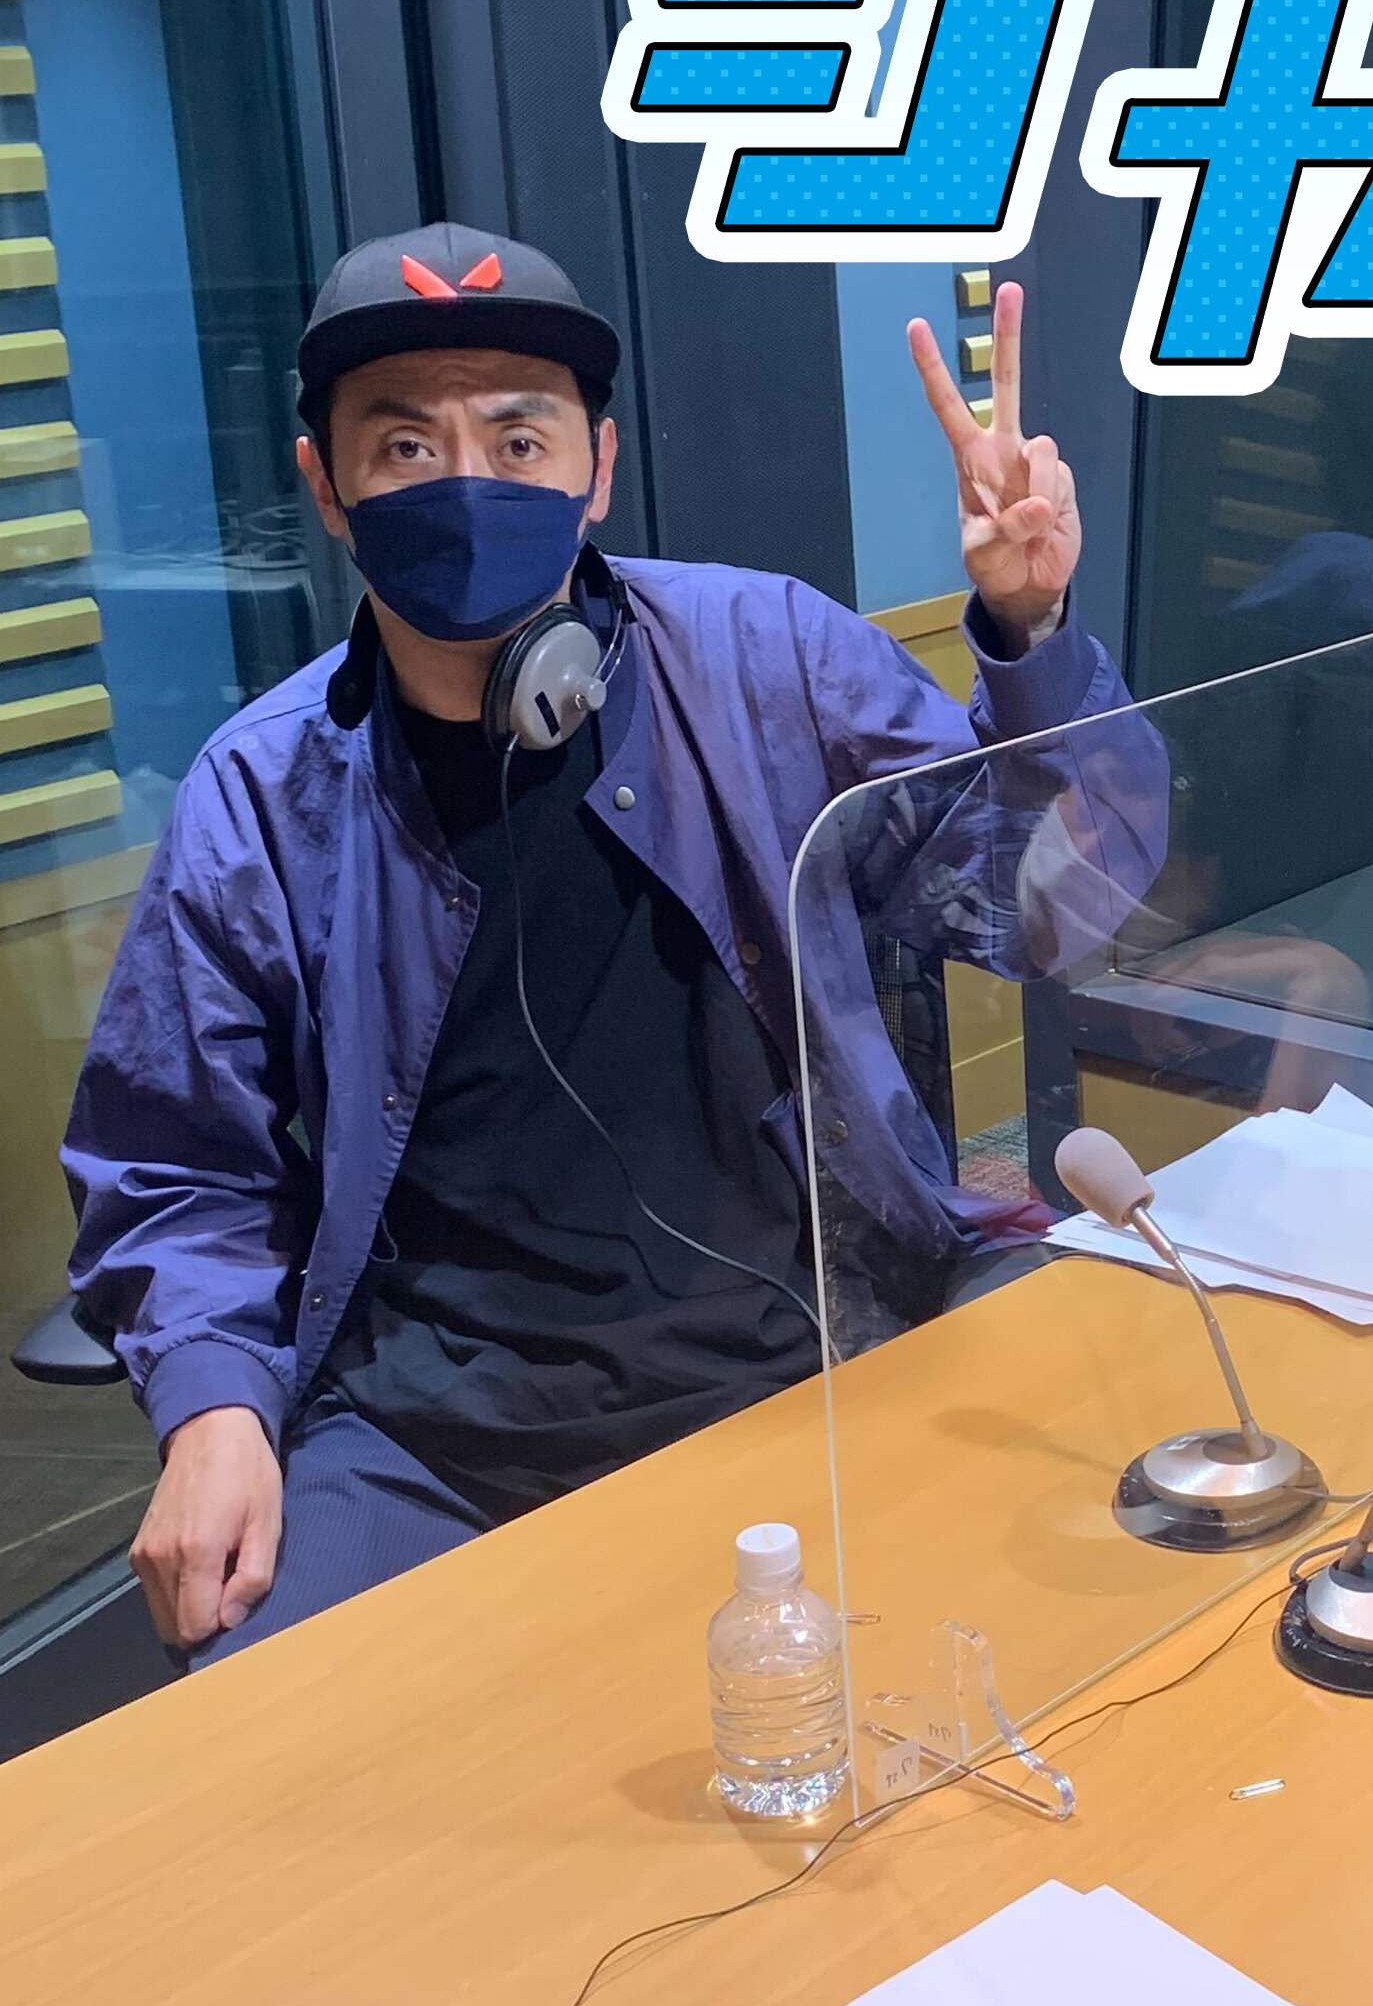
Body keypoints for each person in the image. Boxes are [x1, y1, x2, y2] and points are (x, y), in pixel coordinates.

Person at [67, 222, 1152, 1663]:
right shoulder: (260, 795)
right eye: (404, 446)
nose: (465, 481)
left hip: (834, 1339)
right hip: (434, 1439)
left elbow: (1050, 907)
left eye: (519, 439)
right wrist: (213, 1405)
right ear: (325, 486)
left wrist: (1030, 633)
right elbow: (172, 1163)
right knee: (254, 1719)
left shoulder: (768, 654)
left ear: (598, 470)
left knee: (1129, 1550)